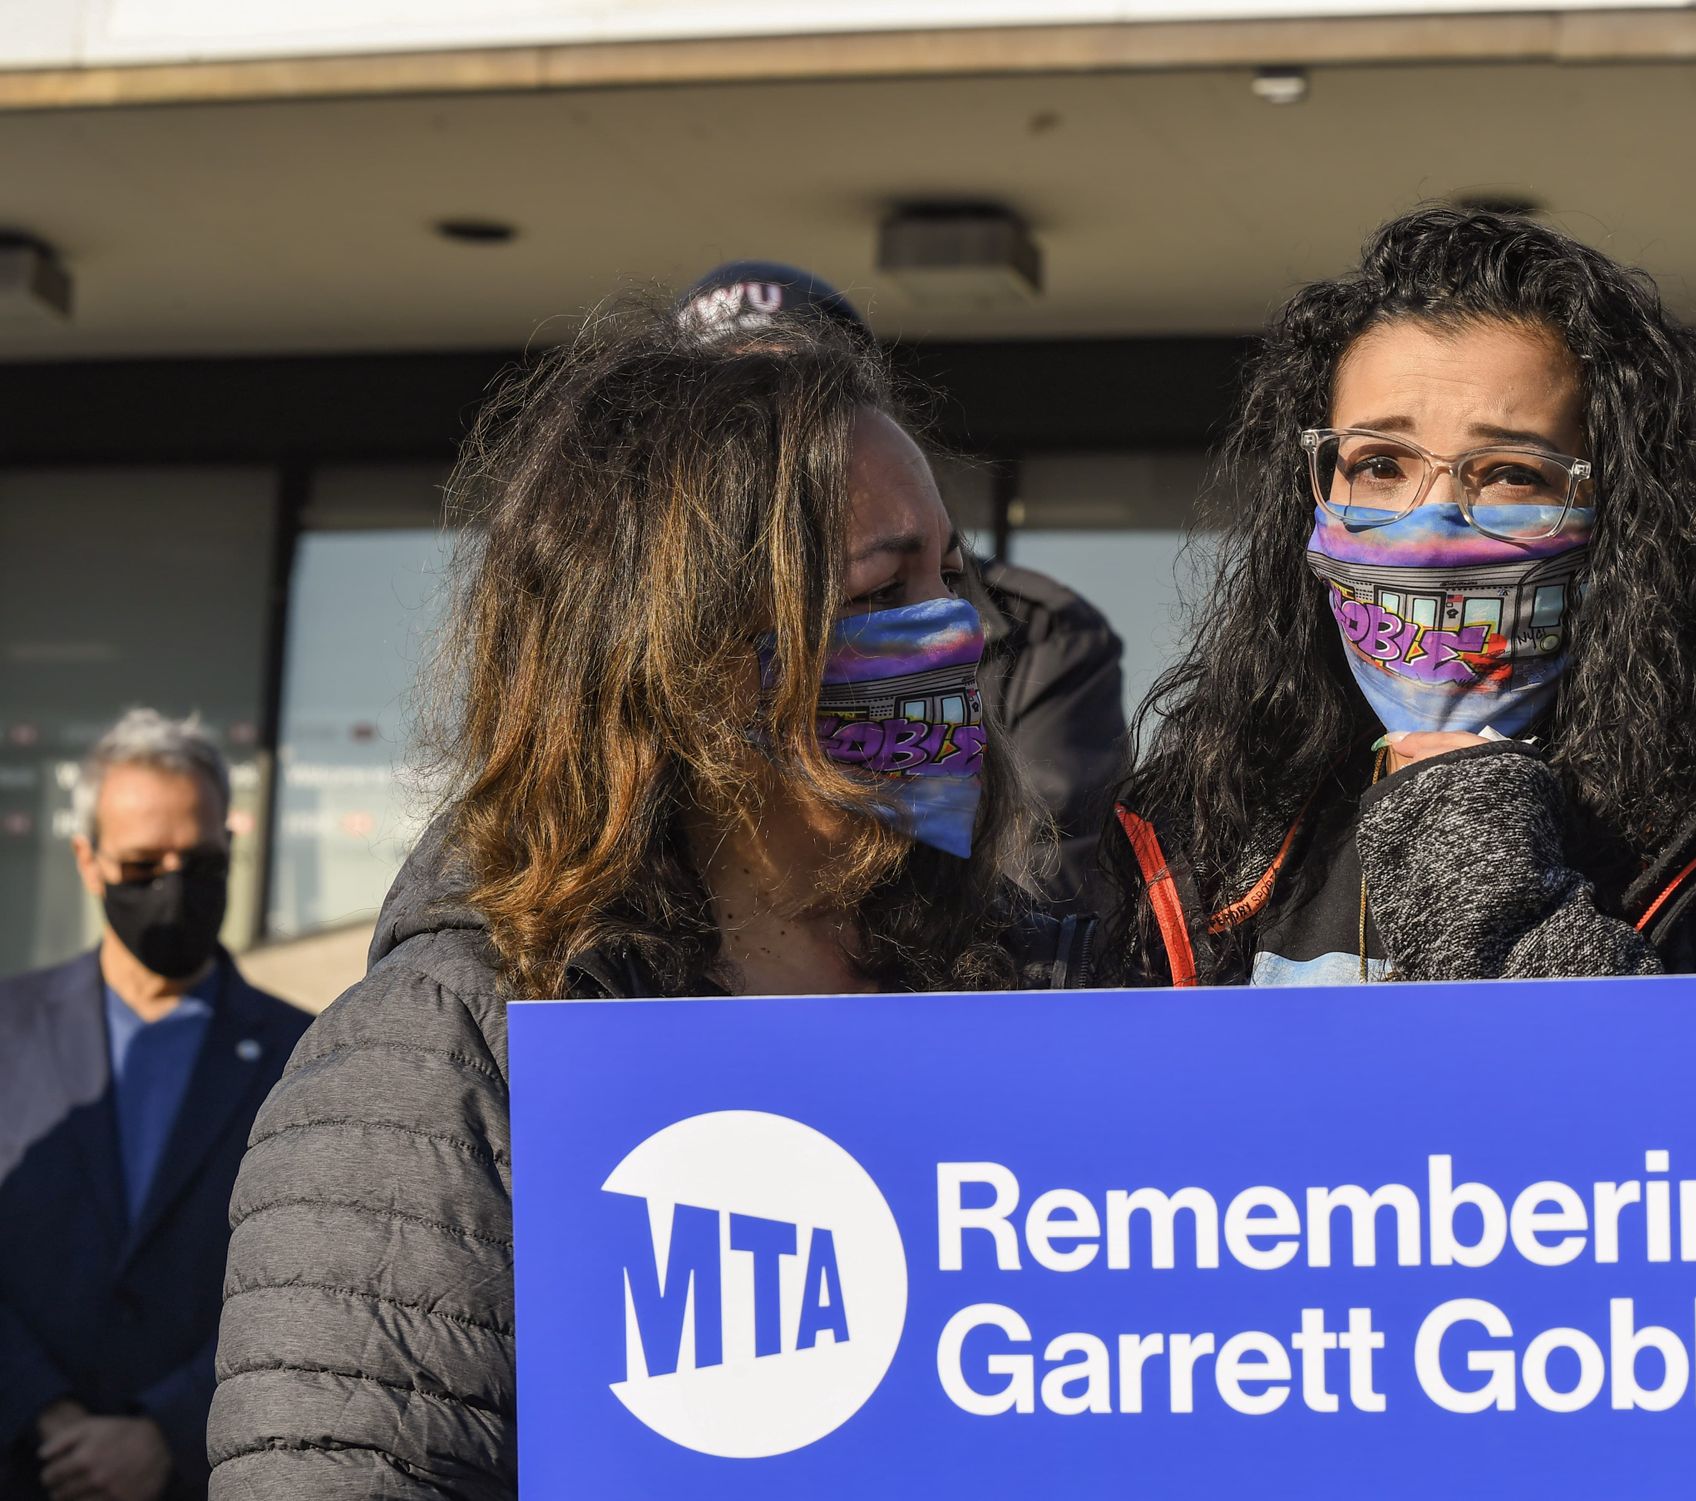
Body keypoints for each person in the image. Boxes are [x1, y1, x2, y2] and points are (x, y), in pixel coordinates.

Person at [1105, 207, 1696, 1463]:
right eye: (1377, 465)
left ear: (1618, 517)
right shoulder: (1208, 814)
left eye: (1507, 473)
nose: (1430, 527)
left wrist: (1469, 824)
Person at [207, 304, 1094, 1498]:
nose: (965, 631)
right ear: (694, 642)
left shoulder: (1030, 995)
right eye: (889, 589)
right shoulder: (450, 1052)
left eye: (953, 573)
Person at [678, 259, 1130, 909]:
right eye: (731, 415)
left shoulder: (1038, 634)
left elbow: (1052, 882)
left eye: (804, 395)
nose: (772, 445)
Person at [0, 710, 309, 1501]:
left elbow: (306, 1280)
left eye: (198, 862)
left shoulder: (306, 1056)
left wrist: (169, 1429)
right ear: (87, 860)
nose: (171, 889)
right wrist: (45, 1410)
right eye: (142, 865)